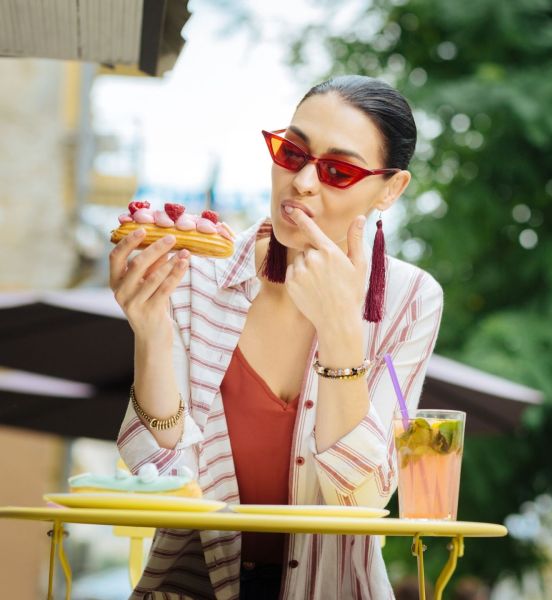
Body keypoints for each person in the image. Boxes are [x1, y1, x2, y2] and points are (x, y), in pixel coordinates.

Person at [109, 75, 444, 599]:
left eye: (338, 170)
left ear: (390, 189)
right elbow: (155, 468)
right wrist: (151, 334)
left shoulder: (410, 300)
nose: (304, 181)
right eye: (292, 152)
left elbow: (361, 496)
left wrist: (340, 331)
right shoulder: (196, 277)